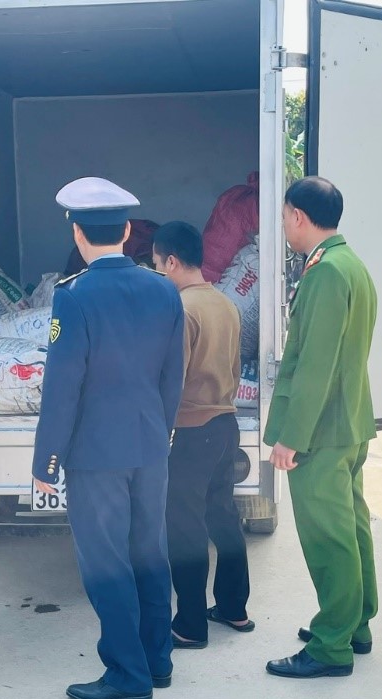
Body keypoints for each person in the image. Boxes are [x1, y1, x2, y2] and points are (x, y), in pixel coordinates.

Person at [32, 177, 184, 699]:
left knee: (106, 564)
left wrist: (47, 461)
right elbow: (173, 376)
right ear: (127, 231)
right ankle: (157, 662)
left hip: (96, 454)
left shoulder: (73, 296)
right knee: (150, 554)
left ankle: (127, 674)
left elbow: (63, 386)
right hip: (150, 445)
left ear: (77, 233)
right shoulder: (164, 289)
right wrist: (160, 430)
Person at [262, 176, 378, 679]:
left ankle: (332, 645)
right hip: (347, 422)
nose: (285, 225)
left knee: (329, 536)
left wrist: (292, 437)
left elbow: (315, 364)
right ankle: (354, 624)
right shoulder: (349, 264)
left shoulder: (327, 272)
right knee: (351, 527)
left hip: (322, 430)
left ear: (298, 217)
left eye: (285, 216)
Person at [151, 221, 253, 649]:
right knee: (223, 517)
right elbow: (234, 368)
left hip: (192, 432)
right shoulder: (225, 304)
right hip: (226, 425)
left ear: (172, 262)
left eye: (157, 265)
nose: (158, 272)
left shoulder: (180, 309)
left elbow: (171, 380)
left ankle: (190, 625)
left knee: (185, 528)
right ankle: (233, 608)